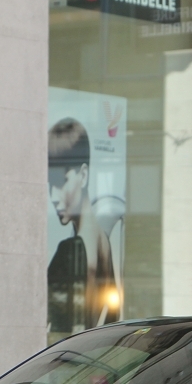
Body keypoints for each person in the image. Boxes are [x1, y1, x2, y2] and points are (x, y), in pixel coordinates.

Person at [47, 118, 119, 337]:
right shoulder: (102, 239)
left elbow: (59, 332)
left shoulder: (71, 250)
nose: (53, 196)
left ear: (84, 175)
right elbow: (113, 314)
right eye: (50, 184)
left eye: (61, 182)